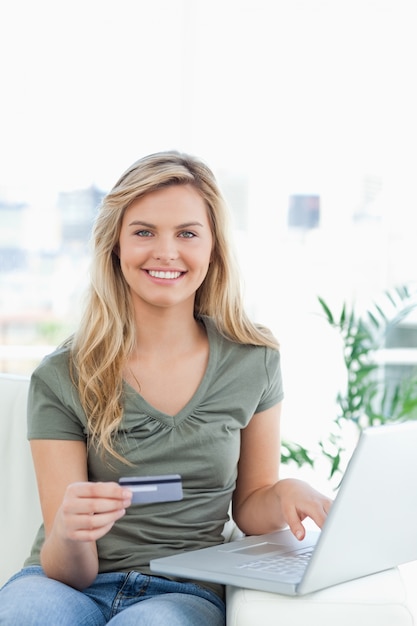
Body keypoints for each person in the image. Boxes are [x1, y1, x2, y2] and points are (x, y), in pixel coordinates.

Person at [0, 151, 332, 626]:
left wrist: (283, 495)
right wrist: (70, 534)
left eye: (187, 233)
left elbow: (250, 505)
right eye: (143, 232)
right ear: (116, 245)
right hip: (65, 585)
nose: (166, 251)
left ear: (213, 246)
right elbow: (67, 569)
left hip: (182, 593)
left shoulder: (253, 360)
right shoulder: (62, 375)